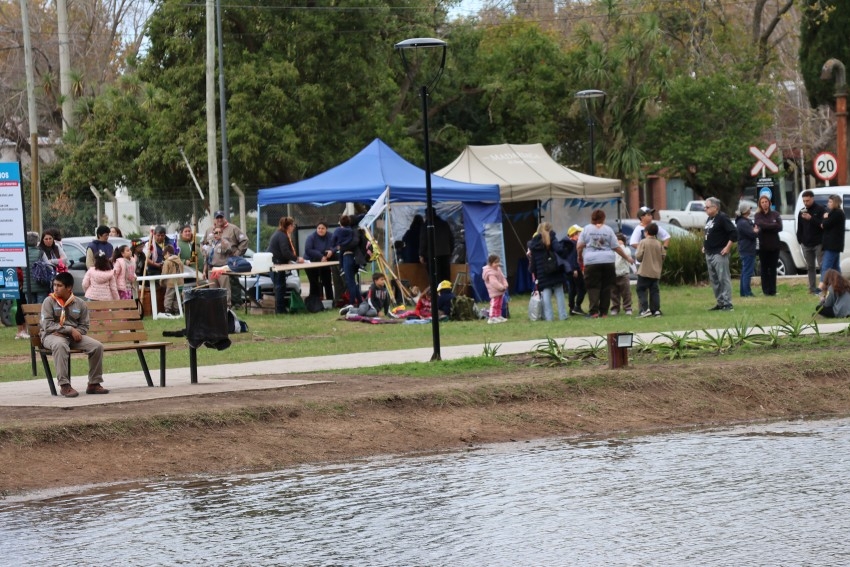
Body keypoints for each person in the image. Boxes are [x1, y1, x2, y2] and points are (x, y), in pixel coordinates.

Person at [40, 271, 109, 397]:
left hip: (72, 337)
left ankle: (94, 383)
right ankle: (64, 385)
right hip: (51, 336)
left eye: (59, 285)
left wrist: (73, 332)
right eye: (54, 285)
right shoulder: (49, 301)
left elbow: (84, 326)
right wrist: (69, 330)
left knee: (97, 346)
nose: (55, 288)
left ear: (69, 288)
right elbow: (47, 325)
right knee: (60, 345)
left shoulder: (79, 303)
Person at [577, 210, 635, 318]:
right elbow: (616, 247)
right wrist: (627, 257)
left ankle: (594, 312)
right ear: (603, 218)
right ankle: (603, 313)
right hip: (608, 261)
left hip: (592, 261)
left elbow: (579, 246)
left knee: (593, 287)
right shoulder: (608, 230)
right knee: (606, 287)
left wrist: (580, 257)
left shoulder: (586, 229)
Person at [204, 211, 249, 306]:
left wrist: (237, 254)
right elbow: (203, 244)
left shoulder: (233, 229)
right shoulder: (209, 231)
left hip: (226, 265)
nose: (219, 219)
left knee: (228, 287)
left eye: (221, 217)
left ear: (224, 218)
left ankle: (231, 305)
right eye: (217, 218)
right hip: (212, 266)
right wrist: (205, 253)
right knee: (213, 289)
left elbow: (244, 240)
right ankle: (215, 307)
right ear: (214, 219)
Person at [527, 221, 568, 321]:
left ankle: (549, 318)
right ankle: (563, 316)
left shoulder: (534, 244)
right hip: (555, 270)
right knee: (559, 293)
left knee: (546, 295)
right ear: (550, 229)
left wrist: (533, 272)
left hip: (542, 273)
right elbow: (559, 250)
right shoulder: (552, 238)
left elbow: (533, 263)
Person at [703, 197, 738, 311]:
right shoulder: (709, 219)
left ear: (715, 207)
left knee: (723, 279)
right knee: (715, 280)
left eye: (707, 207)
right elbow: (710, 234)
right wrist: (705, 245)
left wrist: (727, 247)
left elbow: (733, 233)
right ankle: (720, 302)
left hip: (719, 254)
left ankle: (728, 304)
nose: (705, 209)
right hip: (709, 253)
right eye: (705, 207)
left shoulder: (722, 218)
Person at [268, 216, 304, 314]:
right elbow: (285, 251)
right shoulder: (282, 236)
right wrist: (296, 259)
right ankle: (280, 309)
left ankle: (281, 308)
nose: (294, 227)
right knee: (280, 286)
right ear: (289, 226)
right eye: (293, 225)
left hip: (279, 263)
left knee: (281, 286)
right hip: (276, 264)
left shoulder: (282, 234)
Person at [797, 190, 826, 294]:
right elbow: (799, 228)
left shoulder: (820, 209)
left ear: (812, 199)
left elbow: (823, 225)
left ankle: (823, 287)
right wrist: (800, 241)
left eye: (807, 200)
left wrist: (811, 218)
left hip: (818, 242)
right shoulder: (801, 211)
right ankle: (812, 288)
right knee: (810, 267)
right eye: (804, 201)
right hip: (806, 243)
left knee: (822, 265)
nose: (805, 203)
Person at [332, 215, 364, 310]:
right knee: (353, 281)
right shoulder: (354, 231)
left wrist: (340, 246)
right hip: (355, 258)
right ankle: (360, 301)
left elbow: (333, 242)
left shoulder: (341, 231)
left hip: (348, 257)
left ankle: (352, 302)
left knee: (350, 281)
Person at [753, 194, 783, 296]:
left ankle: (773, 290)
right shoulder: (757, 215)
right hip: (763, 246)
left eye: (766, 202)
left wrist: (767, 226)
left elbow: (780, 227)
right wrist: (772, 225)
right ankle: (765, 290)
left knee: (773, 268)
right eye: (763, 202)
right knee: (764, 269)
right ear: (760, 204)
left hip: (774, 245)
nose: (765, 204)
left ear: (769, 203)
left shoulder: (775, 214)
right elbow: (759, 224)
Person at [636, 222, 665, 317]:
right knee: (654, 291)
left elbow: (639, 256)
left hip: (644, 271)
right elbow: (663, 256)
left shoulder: (643, 242)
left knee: (641, 289)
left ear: (646, 232)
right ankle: (656, 310)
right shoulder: (659, 243)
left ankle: (645, 309)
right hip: (656, 272)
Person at [419, 213, 455, 284]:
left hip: (432, 255)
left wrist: (421, 254)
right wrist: (450, 251)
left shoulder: (426, 225)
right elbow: (451, 239)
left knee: (435, 278)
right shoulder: (444, 224)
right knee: (445, 277)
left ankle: (437, 294)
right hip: (445, 254)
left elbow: (423, 240)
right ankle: (446, 293)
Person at [204, 227, 235, 305]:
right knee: (213, 289)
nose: (217, 234)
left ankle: (227, 305)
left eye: (219, 232)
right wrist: (204, 271)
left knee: (224, 288)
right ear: (213, 233)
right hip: (212, 268)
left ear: (222, 233)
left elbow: (229, 251)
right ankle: (215, 306)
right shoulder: (210, 244)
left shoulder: (225, 242)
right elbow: (206, 258)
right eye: (216, 233)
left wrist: (222, 240)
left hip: (221, 268)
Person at [303, 221, 334, 300]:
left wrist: (331, 251)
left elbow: (337, 245)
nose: (320, 230)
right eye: (319, 228)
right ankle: (315, 301)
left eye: (323, 228)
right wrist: (321, 256)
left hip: (324, 262)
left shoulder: (331, 236)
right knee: (314, 283)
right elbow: (308, 249)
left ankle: (330, 301)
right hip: (311, 262)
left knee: (327, 282)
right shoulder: (311, 237)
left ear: (326, 229)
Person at [561, 225, 586, 315]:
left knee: (572, 289)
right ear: (574, 234)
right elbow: (572, 258)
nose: (582, 235)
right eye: (580, 233)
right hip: (574, 269)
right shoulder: (574, 244)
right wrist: (575, 269)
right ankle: (577, 307)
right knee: (583, 288)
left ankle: (571, 308)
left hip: (568, 269)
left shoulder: (567, 243)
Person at [820, 194, 846, 280]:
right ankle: (840, 287)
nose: (828, 203)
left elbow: (824, 225)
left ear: (835, 203)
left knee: (826, 267)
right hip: (835, 245)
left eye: (830, 202)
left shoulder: (836, 213)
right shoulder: (839, 212)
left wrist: (825, 218)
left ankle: (822, 287)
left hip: (832, 245)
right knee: (835, 268)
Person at [736, 202, 757, 298]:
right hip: (747, 249)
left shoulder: (745, 221)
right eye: (749, 209)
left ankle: (743, 292)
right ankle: (747, 292)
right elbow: (752, 234)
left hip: (747, 248)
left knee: (745, 271)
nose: (750, 210)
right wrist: (755, 231)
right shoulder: (743, 223)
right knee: (747, 271)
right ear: (745, 211)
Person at [610, 232, 633, 316]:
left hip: (623, 274)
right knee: (614, 293)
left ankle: (628, 308)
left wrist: (621, 246)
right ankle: (615, 308)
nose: (618, 242)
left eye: (620, 240)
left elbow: (627, 256)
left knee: (626, 292)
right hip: (613, 274)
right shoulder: (611, 250)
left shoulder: (626, 249)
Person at [482, 254, 508, 324]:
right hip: (494, 291)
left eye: (498, 262)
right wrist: (501, 287)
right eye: (495, 262)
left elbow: (502, 278)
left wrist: (505, 284)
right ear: (490, 263)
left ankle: (498, 315)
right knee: (494, 304)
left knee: (499, 304)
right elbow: (494, 282)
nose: (497, 264)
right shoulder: (489, 272)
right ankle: (491, 317)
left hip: (500, 291)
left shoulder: (498, 269)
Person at [161, 245, 184, 315]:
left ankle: (168, 310)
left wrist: (161, 281)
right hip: (180, 283)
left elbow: (164, 273)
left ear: (167, 253)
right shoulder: (179, 261)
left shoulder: (167, 262)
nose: (164, 257)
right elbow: (182, 271)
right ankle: (177, 310)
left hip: (170, 283)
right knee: (177, 297)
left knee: (169, 297)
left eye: (164, 255)